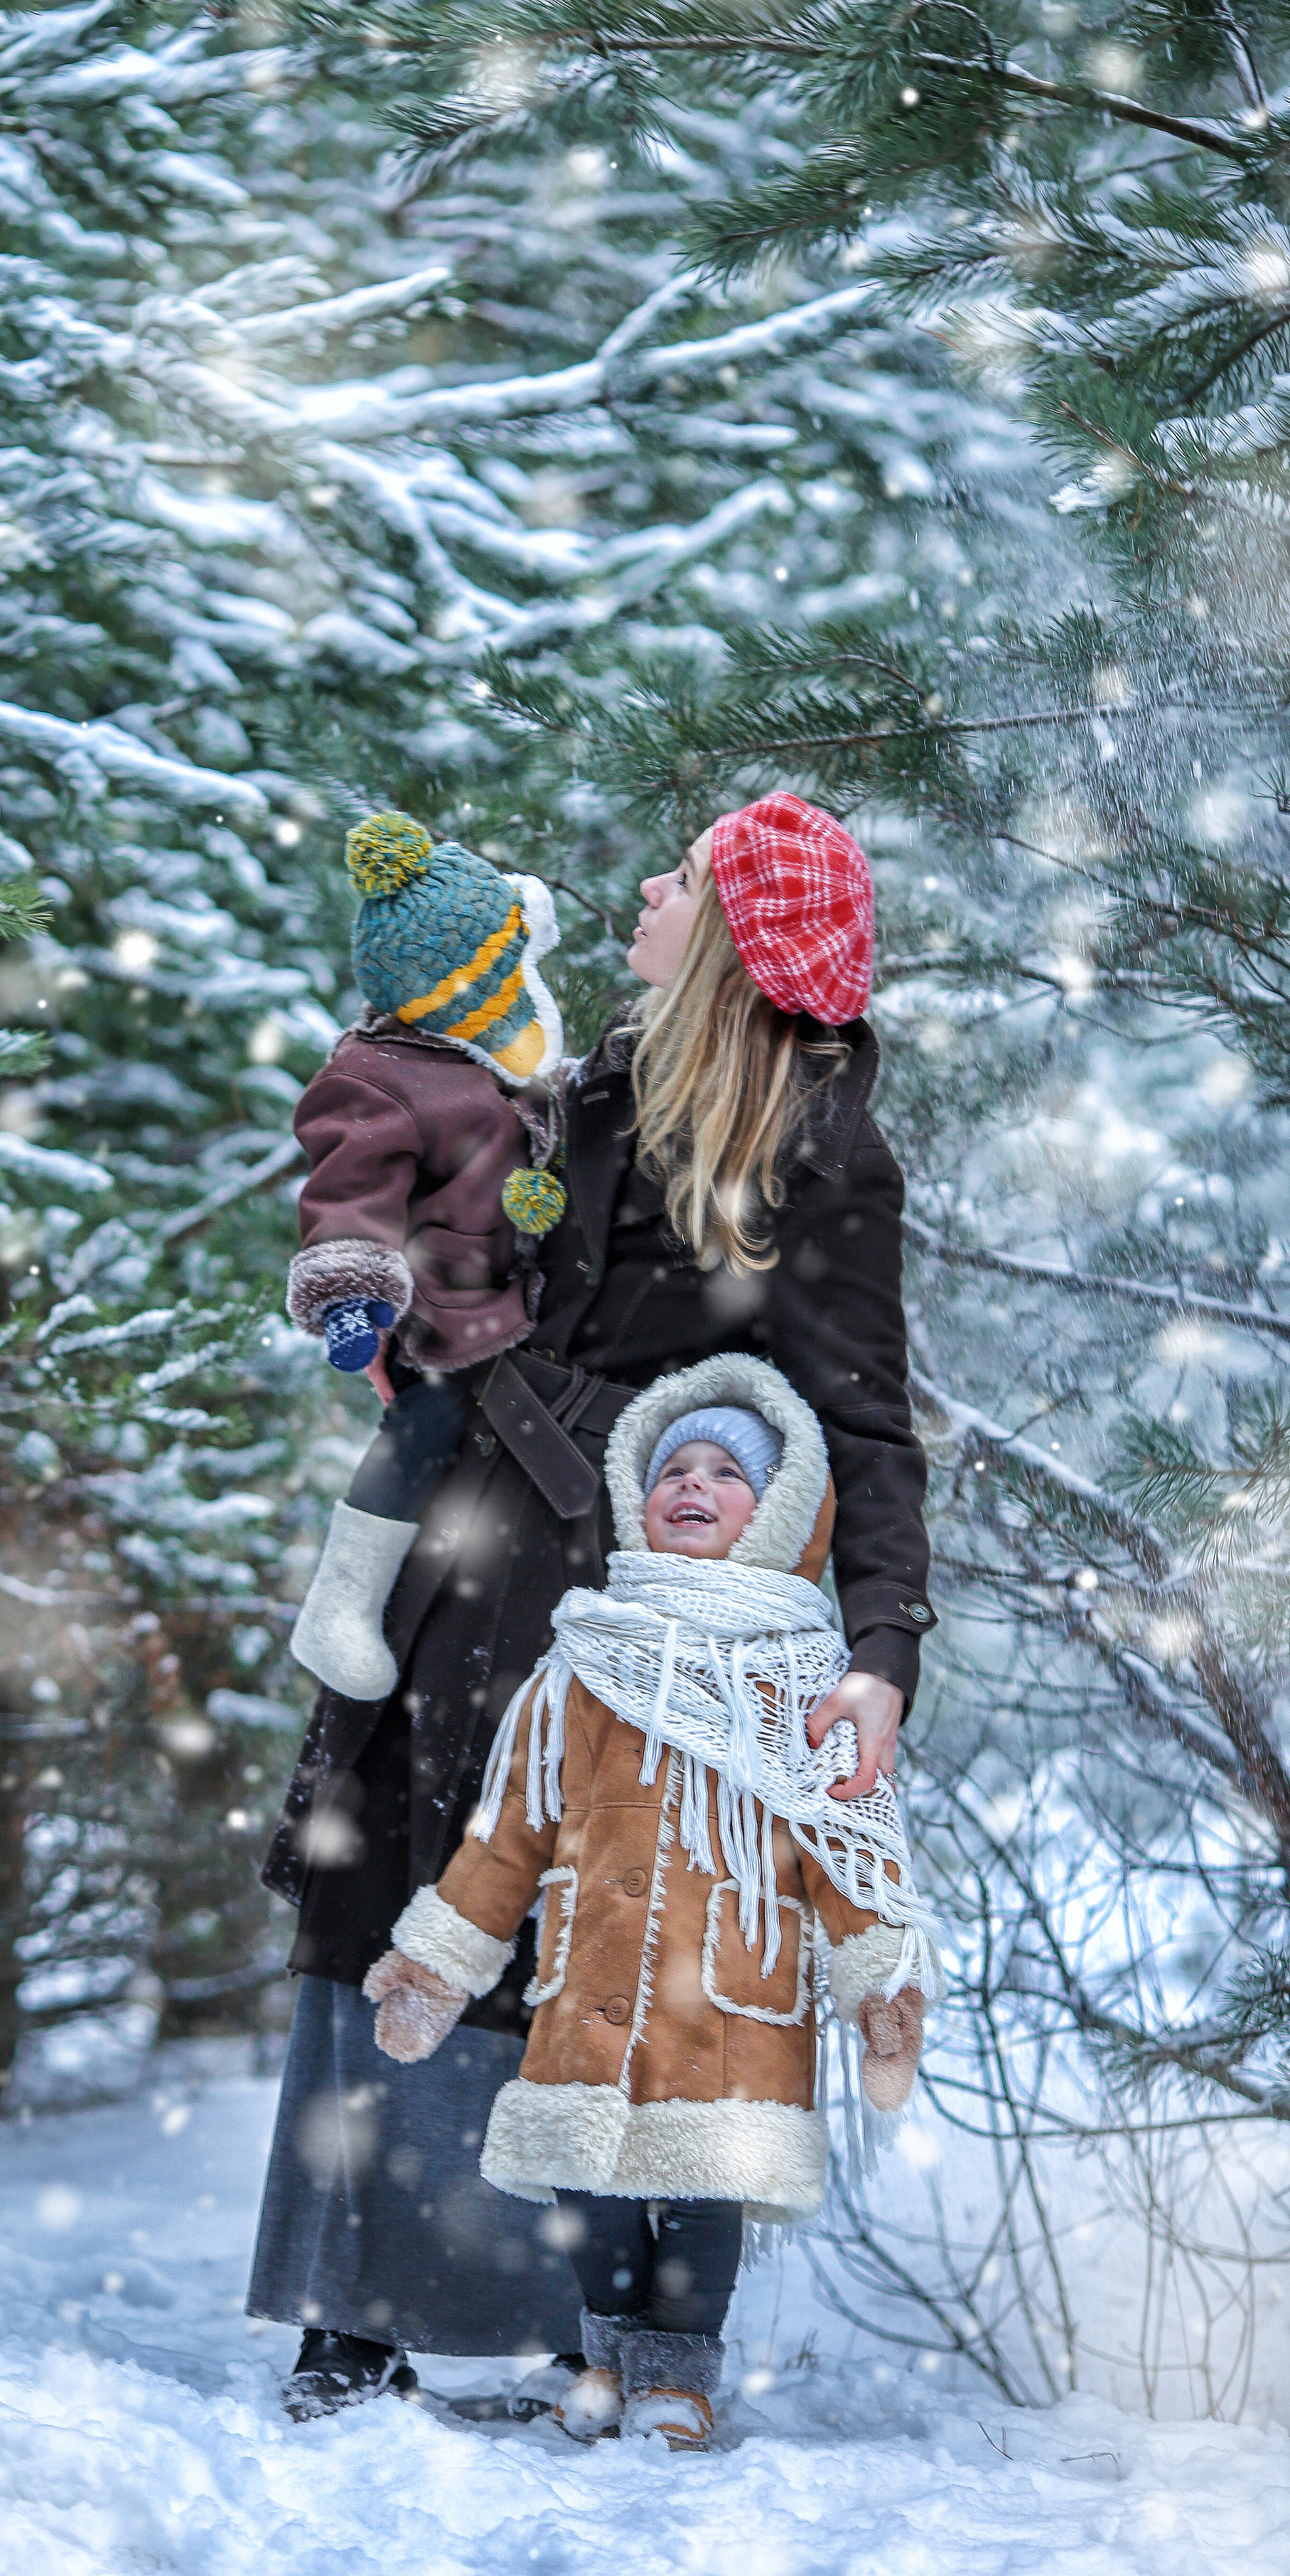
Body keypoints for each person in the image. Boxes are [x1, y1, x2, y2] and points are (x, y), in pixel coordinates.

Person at [249, 788, 935, 2418]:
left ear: (735, 931)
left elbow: (863, 1414)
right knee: (397, 1882)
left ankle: (578, 2307)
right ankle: (358, 2300)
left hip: (638, 1591)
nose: (644, 886)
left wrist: (882, 1644)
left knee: (582, 1916)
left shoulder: (814, 1144)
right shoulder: (584, 1079)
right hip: (474, 1530)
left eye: (680, 876)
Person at [363, 1356, 940, 2450]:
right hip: (592, 1984)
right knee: (593, 2194)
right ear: (636, 1493)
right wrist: (441, 1960)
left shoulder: (806, 1681)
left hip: (732, 1993)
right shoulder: (581, 1662)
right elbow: (508, 1834)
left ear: (777, 1515)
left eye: (729, 1473)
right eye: (674, 1465)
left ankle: (678, 2375)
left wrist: (880, 1986)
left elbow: (845, 1854)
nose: (694, 1483)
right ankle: (611, 2356)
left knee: (704, 2199)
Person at [283, 808, 566, 1703]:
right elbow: (348, 1195)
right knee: (425, 1429)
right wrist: (352, 1300)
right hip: (436, 1310)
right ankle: (340, 1599)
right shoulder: (380, 1077)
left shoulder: (475, 1046)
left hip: (509, 1297)